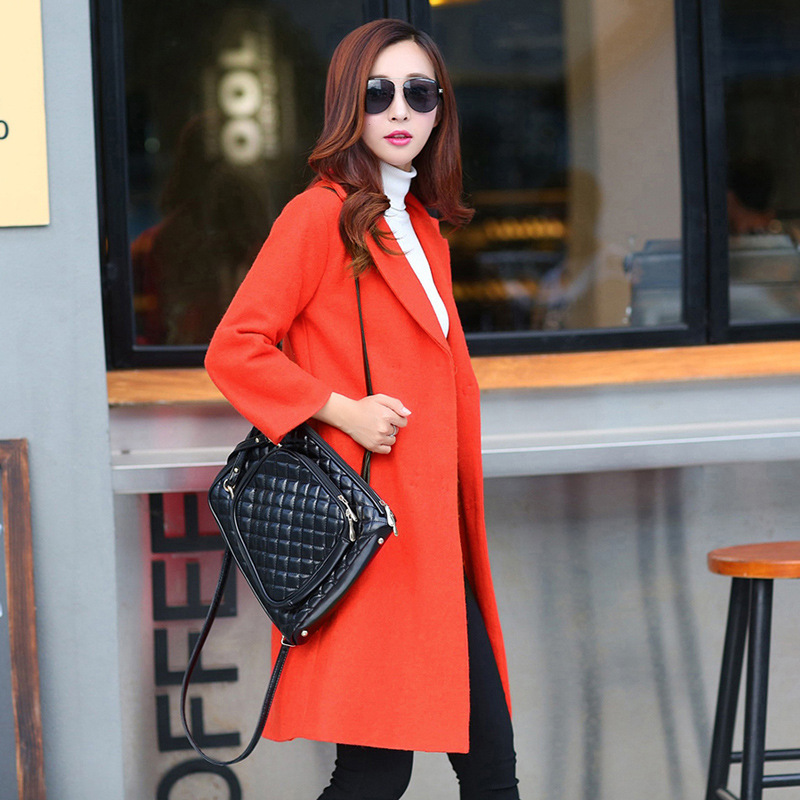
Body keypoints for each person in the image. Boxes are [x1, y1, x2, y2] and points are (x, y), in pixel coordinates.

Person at [205, 18, 520, 800]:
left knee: (484, 765)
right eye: (378, 93)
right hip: (374, 540)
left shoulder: (423, 225)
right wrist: (339, 408)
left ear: (441, 109)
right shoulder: (317, 216)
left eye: (419, 93)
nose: (400, 110)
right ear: (349, 104)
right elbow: (235, 347)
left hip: (433, 538)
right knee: (380, 774)